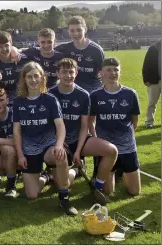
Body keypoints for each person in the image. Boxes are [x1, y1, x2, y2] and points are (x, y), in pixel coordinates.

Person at [12, 61, 78, 215]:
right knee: (32, 195)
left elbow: (60, 126)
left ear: (42, 78)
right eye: (29, 77)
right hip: (30, 149)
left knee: (59, 156)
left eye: (36, 76)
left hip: (49, 145)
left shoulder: (50, 100)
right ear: (24, 79)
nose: (33, 80)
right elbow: (17, 132)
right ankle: (46, 177)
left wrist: (59, 145)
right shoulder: (18, 102)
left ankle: (64, 198)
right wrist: (20, 154)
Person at [49, 58, 117, 205]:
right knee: (62, 183)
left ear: (76, 73)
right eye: (64, 72)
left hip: (79, 139)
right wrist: (59, 143)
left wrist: (79, 151)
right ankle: (76, 171)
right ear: (57, 74)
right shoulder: (50, 94)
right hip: (59, 142)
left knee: (111, 151)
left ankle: (97, 185)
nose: (68, 75)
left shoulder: (83, 95)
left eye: (71, 72)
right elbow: (49, 125)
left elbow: (84, 126)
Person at [90, 57, 141, 197]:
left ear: (120, 72)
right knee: (108, 192)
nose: (112, 73)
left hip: (127, 146)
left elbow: (134, 120)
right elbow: (91, 121)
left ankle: (121, 171)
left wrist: (128, 137)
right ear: (101, 73)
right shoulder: (95, 96)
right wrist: (96, 140)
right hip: (106, 148)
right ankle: (105, 175)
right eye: (108, 70)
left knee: (135, 192)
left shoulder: (130, 94)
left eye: (116, 70)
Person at [54, 16, 105, 94]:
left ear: (85, 30)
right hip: (72, 88)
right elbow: (46, 52)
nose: (76, 33)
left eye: (79, 30)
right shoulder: (64, 48)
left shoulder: (96, 50)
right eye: (72, 30)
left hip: (91, 89)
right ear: (68, 31)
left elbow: (104, 75)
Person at [0, 31, 29, 106]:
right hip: (1, 102)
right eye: (0, 46)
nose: (4, 49)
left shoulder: (21, 59)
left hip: (21, 100)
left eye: (6, 45)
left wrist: (17, 50)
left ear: (11, 44)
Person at [142, 39, 161, 128]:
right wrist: (146, 79)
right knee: (152, 103)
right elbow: (146, 64)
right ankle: (149, 121)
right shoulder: (153, 48)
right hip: (154, 81)